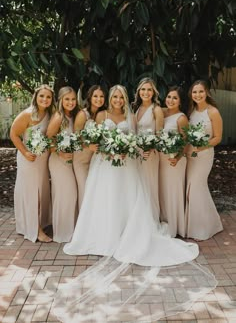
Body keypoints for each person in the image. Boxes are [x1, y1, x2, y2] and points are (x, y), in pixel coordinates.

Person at [64, 85, 198, 265]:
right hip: (105, 163)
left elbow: (134, 137)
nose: (118, 100)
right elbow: (94, 138)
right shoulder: (101, 115)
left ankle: (126, 232)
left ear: (125, 99)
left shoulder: (129, 116)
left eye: (121, 97)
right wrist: (108, 150)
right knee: (105, 197)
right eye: (115, 97)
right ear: (110, 98)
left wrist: (130, 149)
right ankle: (104, 234)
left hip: (126, 163)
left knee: (125, 196)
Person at [10, 84, 55, 243]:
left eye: (48, 97)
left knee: (41, 190)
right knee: (31, 193)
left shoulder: (50, 114)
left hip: (42, 161)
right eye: (42, 96)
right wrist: (25, 152)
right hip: (29, 159)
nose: (45, 99)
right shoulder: (28, 114)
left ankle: (39, 222)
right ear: (36, 97)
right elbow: (13, 134)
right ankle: (35, 230)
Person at [185, 80, 223, 240]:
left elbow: (218, 137)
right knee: (190, 187)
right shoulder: (191, 111)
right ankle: (208, 222)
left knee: (196, 187)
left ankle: (202, 228)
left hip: (204, 154)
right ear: (191, 94)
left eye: (201, 91)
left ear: (206, 92)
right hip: (190, 155)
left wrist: (202, 146)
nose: (198, 95)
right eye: (194, 92)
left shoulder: (213, 112)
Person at [46, 86, 78, 243]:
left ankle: (68, 229)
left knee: (68, 195)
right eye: (67, 99)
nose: (71, 102)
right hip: (58, 161)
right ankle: (62, 233)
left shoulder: (71, 115)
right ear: (60, 101)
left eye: (73, 99)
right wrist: (59, 152)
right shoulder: (58, 116)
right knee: (65, 195)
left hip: (68, 161)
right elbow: (48, 139)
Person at [132, 77, 164, 220]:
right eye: (143, 89)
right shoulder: (135, 108)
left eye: (149, 89)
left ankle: (151, 220)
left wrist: (150, 148)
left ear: (154, 92)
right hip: (136, 154)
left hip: (149, 154)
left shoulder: (156, 110)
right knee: (137, 187)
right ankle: (139, 220)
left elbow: (160, 135)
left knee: (149, 186)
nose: (146, 92)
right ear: (139, 92)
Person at [159, 86, 188, 237]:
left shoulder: (181, 118)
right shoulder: (162, 112)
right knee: (163, 191)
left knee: (173, 191)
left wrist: (177, 158)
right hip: (161, 160)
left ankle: (175, 227)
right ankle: (164, 222)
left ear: (180, 101)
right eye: (169, 97)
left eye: (175, 98)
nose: (171, 100)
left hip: (174, 160)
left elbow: (185, 142)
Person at [73, 85, 106, 209]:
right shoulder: (83, 114)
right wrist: (88, 146)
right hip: (81, 158)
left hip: (96, 159)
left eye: (101, 96)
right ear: (90, 97)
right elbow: (76, 137)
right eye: (95, 96)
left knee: (94, 191)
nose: (99, 99)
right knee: (84, 189)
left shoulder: (103, 114)